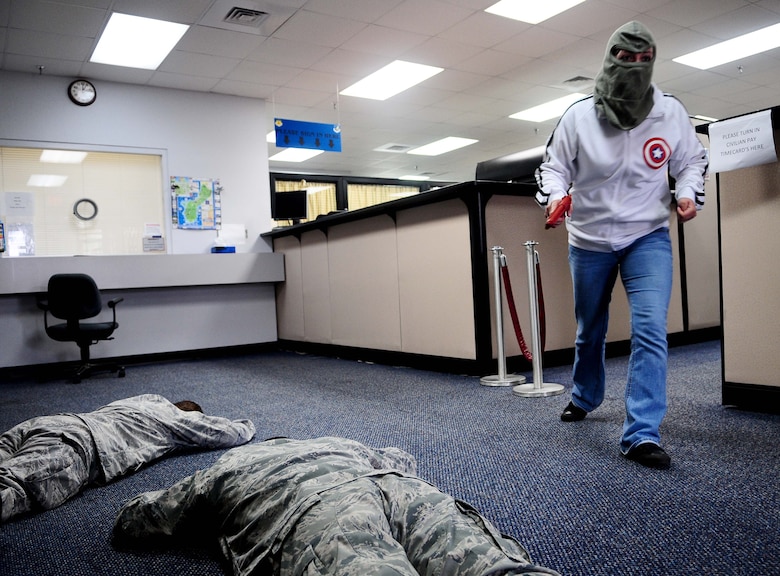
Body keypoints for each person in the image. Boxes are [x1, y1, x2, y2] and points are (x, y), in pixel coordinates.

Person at [535, 21, 708, 469]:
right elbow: (552, 168)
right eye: (624, 59)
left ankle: (641, 433)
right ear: (609, 60)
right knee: (589, 329)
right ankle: (585, 395)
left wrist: (687, 192)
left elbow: (692, 161)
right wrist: (557, 197)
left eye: (642, 60)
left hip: (647, 236)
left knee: (650, 328)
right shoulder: (578, 115)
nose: (633, 67)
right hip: (589, 239)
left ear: (652, 63)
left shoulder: (669, 112)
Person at [113, 436, 561, 576]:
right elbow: (402, 459)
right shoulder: (338, 441)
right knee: (492, 566)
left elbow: (140, 521)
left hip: (313, 511)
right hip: (391, 485)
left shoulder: (225, 468)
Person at [0, 393, 255, 522]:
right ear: (191, 415)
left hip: (50, 422)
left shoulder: (142, 400)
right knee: (14, 488)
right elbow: (226, 433)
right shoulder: (176, 419)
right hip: (79, 442)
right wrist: (249, 424)